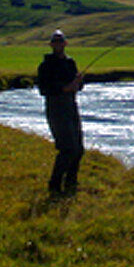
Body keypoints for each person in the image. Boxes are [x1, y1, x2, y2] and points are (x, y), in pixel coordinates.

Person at [37, 29, 85, 196]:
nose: (58, 44)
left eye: (60, 41)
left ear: (65, 43)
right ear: (51, 45)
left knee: (79, 148)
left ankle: (71, 182)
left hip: (71, 107)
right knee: (67, 149)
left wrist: (78, 82)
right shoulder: (45, 66)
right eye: (55, 42)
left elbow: (79, 86)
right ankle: (54, 185)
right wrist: (65, 88)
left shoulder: (70, 63)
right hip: (56, 109)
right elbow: (43, 89)